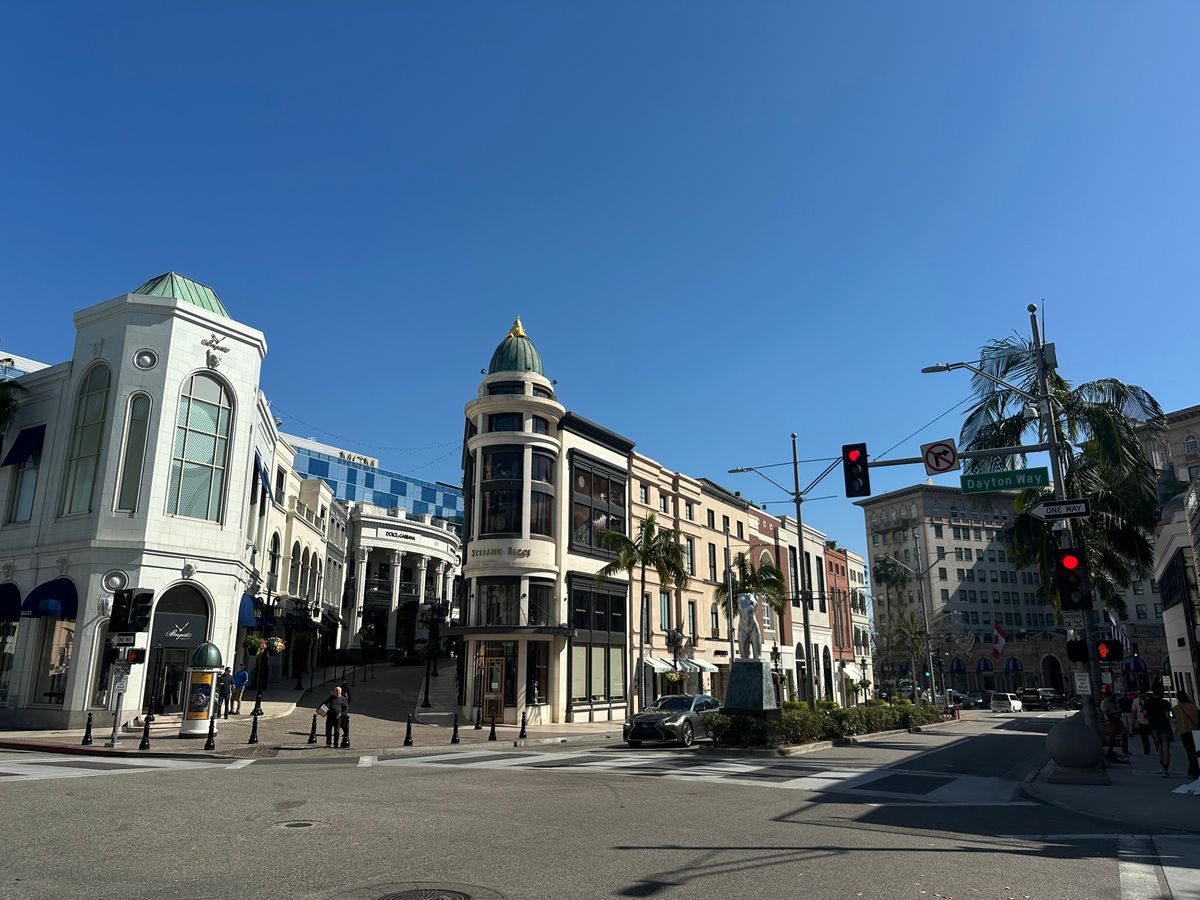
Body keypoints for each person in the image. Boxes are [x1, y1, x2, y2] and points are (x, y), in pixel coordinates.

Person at [1145, 684, 1174, 777]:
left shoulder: (1147, 702)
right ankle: (1166, 768)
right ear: (1161, 692)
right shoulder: (1165, 703)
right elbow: (1169, 715)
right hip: (1165, 726)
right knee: (1166, 748)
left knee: (1159, 746)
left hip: (1153, 726)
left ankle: (1162, 766)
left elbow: (1145, 714)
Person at [1171, 688, 1200, 780]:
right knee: (1196, 751)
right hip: (1195, 731)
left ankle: (1194, 770)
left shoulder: (1175, 709)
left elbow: (1174, 721)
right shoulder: (1193, 707)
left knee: (1190, 752)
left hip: (1184, 732)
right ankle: (1193, 769)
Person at [1100, 686, 1126, 762]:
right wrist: (1114, 713)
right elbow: (1105, 712)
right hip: (1111, 721)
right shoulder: (1105, 702)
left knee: (1124, 733)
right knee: (1112, 736)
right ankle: (1109, 750)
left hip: (1117, 720)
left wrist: (1118, 711)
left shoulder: (1113, 702)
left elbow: (1118, 708)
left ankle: (1124, 749)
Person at [339, 683, 352, 749]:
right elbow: (349, 699)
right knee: (342, 722)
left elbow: (348, 700)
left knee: (342, 723)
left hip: (343, 710)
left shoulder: (344, 694)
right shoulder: (346, 693)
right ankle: (344, 732)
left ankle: (345, 733)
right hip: (343, 710)